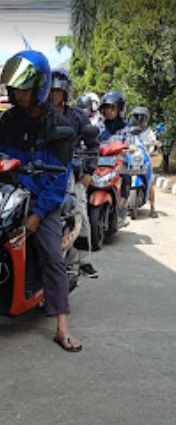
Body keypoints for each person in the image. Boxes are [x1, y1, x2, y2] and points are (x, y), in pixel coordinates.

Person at [0, 50, 82, 352]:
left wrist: (38, 214)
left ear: (39, 86)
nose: (19, 94)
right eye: (15, 88)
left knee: (52, 254)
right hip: (7, 192)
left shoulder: (60, 127)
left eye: (25, 88)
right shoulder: (9, 119)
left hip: (41, 197)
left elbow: (57, 180)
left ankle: (61, 326)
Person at [48, 68, 99, 279]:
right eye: (50, 90)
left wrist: (88, 172)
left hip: (69, 171)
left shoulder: (77, 116)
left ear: (65, 93)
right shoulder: (37, 114)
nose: (54, 95)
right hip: (40, 171)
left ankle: (84, 261)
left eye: (58, 91)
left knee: (80, 213)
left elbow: (93, 144)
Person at [97, 91, 131, 225]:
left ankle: (123, 205)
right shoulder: (99, 127)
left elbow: (132, 142)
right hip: (99, 163)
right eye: (107, 108)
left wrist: (131, 147)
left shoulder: (125, 128)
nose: (109, 111)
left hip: (118, 162)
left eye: (113, 108)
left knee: (126, 172)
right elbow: (89, 140)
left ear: (120, 109)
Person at [129, 106, 160, 218]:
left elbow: (154, 141)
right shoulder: (128, 130)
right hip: (130, 158)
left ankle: (153, 208)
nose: (139, 119)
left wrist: (155, 143)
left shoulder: (149, 132)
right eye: (136, 117)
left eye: (142, 117)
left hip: (144, 158)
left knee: (150, 183)